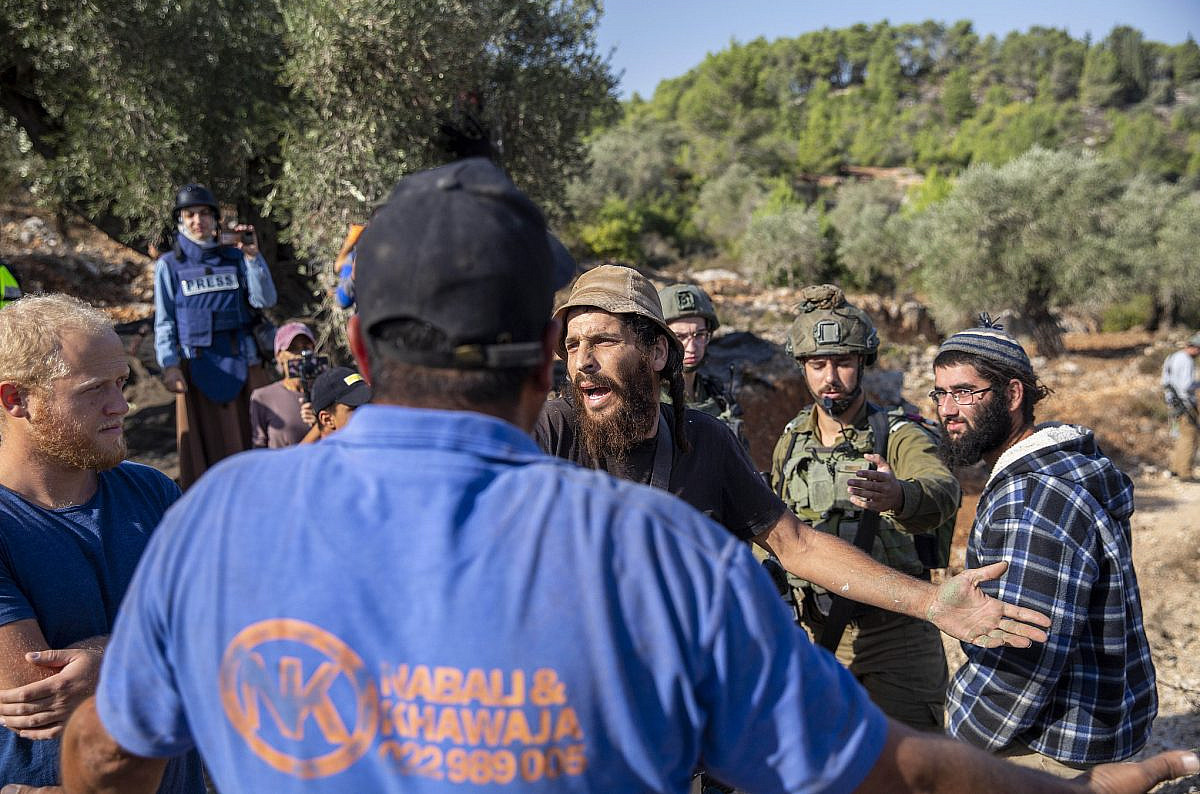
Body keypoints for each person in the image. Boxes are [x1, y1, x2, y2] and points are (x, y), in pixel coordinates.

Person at [47, 157, 1197, 794]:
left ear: (358, 349)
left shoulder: (219, 519)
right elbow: (895, 775)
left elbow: (102, 753)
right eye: (578, 340)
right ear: (548, 359)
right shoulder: (664, 559)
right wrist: (1080, 793)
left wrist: (933, 594)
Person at [536, 264, 1044, 649]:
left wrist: (931, 601)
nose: (582, 362)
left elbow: (796, 543)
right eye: (573, 345)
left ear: (656, 354)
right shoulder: (551, 430)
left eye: (603, 341)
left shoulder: (706, 440)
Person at [933, 318, 1158, 775]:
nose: (948, 409)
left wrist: (961, 736)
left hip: (1050, 748)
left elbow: (1027, 652)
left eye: (965, 392)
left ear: (1014, 396)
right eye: (940, 393)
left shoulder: (1033, 496)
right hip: (1084, 734)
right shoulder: (1059, 471)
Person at [0, 294, 203, 792]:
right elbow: (38, 691)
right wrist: (159, 648)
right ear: (15, 399)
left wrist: (106, 663)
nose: (122, 405)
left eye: (120, 382)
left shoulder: (151, 490)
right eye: (94, 390)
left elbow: (224, 628)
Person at [768, 284, 959, 732]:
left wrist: (898, 496)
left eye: (843, 363)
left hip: (896, 634)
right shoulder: (792, 439)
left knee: (913, 768)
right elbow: (773, 523)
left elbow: (942, 489)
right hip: (817, 635)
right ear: (803, 368)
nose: (830, 376)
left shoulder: (899, 433)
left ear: (863, 364)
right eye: (818, 364)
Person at [153, 183, 277, 489]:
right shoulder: (168, 265)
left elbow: (265, 301)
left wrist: (252, 258)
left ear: (216, 219)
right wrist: (169, 365)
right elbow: (165, 320)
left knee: (255, 441)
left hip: (245, 362)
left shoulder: (235, 258)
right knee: (205, 452)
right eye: (191, 214)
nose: (198, 221)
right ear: (180, 220)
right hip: (196, 369)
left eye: (205, 214)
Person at [658, 283, 743, 440]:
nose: (691, 347)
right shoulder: (651, 401)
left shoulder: (717, 395)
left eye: (699, 335)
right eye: (680, 337)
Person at [248, 322, 319, 448]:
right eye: (293, 349)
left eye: (306, 348)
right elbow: (259, 447)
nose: (300, 355)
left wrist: (321, 424)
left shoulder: (327, 391)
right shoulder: (262, 397)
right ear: (279, 356)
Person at [1161, 332, 1200, 481]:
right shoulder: (1187, 360)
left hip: (1173, 403)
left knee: (1180, 436)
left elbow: (1165, 381)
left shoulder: (1172, 357)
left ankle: (1175, 468)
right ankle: (1185, 472)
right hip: (1184, 404)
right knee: (1189, 437)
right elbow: (1186, 385)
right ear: (1195, 347)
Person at [298, 365, 371, 443]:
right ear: (327, 419)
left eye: (370, 404)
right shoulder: (317, 454)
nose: (368, 413)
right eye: (356, 409)